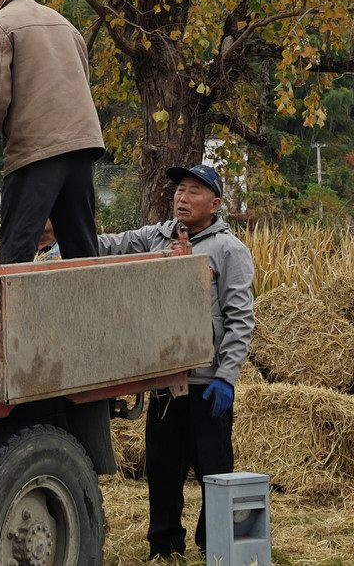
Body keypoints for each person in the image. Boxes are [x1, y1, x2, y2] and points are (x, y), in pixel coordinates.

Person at [98, 164, 254, 560]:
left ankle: (214, 546)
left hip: (207, 385)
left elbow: (240, 320)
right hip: (165, 382)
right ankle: (164, 547)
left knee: (213, 470)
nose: (182, 198)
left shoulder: (228, 250)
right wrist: (65, 243)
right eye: (180, 190)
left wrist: (226, 378)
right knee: (163, 469)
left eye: (194, 192)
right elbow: (112, 244)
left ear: (215, 204)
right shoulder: (157, 237)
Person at [0, 0, 104, 264]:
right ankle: (92, 296)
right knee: (82, 249)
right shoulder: (64, 23)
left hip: (37, 148)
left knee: (16, 250)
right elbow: (83, 80)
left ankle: (13, 299)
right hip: (83, 145)